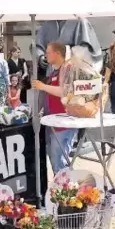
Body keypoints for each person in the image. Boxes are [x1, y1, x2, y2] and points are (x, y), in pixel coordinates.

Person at [32, 41, 74, 174]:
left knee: (59, 160)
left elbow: (65, 91)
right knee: (54, 159)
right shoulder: (53, 72)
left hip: (64, 124)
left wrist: (42, 86)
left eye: (48, 52)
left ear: (57, 53)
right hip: (52, 123)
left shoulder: (67, 69)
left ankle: (66, 190)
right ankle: (60, 188)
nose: (45, 55)